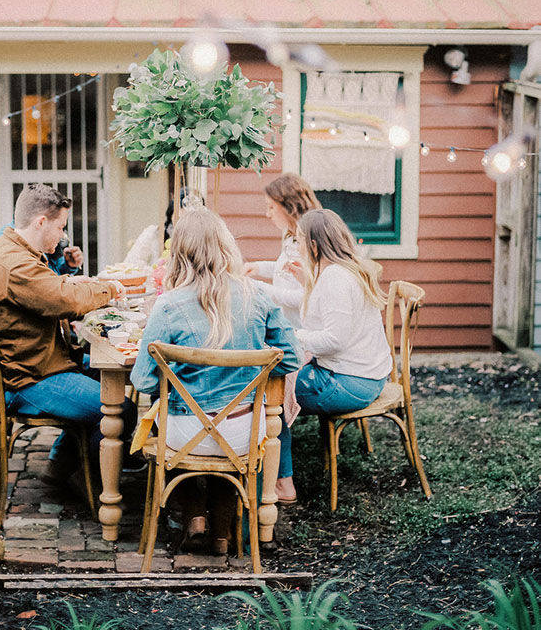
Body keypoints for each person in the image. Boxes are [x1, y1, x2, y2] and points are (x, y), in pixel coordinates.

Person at [131, 207, 301, 556]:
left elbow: (144, 381)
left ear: (179, 253)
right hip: (243, 431)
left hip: (182, 435)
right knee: (229, 440)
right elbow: (291, 356)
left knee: (184, 427)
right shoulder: (259, 296)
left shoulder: (167, 306)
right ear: (226, 247)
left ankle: (195, 518)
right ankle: (223, 533)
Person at [0, 183, 135, 490]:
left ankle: (61, 462)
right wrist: (110, 288)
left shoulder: (11, 249)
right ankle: (89, 478)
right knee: (121, 408)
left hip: (38, 359)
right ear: (40, 223)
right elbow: (64, 300)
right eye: (60, 227)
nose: (63, 235)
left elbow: (48, 291)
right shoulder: (15, 262)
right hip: (30, 377)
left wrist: (73, 281)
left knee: (106, 372)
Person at [276, 208, 393, 504]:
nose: (297, 245)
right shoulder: (343, 271)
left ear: (314, 245)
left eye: (300, 240)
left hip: (350, 382)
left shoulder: (336, 278)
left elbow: (334, 339)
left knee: (271, 397)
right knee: (280, 384)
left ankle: (282, 483)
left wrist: (292, 337)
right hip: (367, 375)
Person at [244, 173, 321, 327]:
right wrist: (258, 268)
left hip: (304, 334)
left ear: (290, 207)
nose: (268, 214)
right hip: (289, 328)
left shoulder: (310, 242)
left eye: (271, 207)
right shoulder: (292, 237)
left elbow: (303, 297)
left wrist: (257, 287)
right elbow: (288, 269)